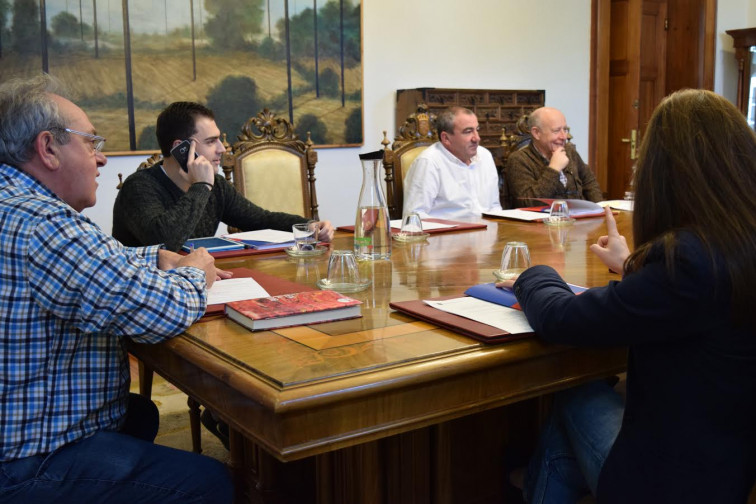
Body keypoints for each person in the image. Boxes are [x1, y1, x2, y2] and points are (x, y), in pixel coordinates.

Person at [498, 90, 756, 503]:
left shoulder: (688, 260)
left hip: (674, 483)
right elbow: (688, 301)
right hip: (731, 462)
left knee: (576, 392)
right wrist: (634, 264)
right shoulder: (730, 244)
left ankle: (532, 484)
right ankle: (535, 482)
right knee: (563, 448)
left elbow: (562, 318)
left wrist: (532, 273)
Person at [0, 75, 233, 503]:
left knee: (139, 414)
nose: (102, 158)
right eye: (91, 143)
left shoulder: (16, 205)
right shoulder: (43, 223)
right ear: (48, 148)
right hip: (25, 462)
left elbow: (94, 261)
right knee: (212, 483)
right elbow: (158, 312)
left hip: (19, 424)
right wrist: (194, 272)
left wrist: (155, 258)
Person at [112, 101, 334, 251]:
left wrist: (309, 226)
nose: (222, 149)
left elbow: (260, 219)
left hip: (198, 282)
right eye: (211, 142)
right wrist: (201, 186)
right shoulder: (139, 187)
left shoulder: (215, 185)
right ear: (181, 148)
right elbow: (165, 242)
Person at [402, 106, 503, 220]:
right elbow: (414, 216)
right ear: (446, 138)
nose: (477, 138)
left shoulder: (485, 156)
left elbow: (494, 207)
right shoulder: (428, 162)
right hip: (447, 230)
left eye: (477, 129)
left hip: (488, 229)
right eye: (468, 131)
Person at [506, 106, 603, 204]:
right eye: (556, 131)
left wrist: (600, 207)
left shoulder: (569, 151)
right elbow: (528, 203)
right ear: (536, 133)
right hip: (545, 214)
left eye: (565, 129)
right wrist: (554, 169)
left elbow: (589, 182)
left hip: (580, 213)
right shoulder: (518, 159)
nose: (564, 136)